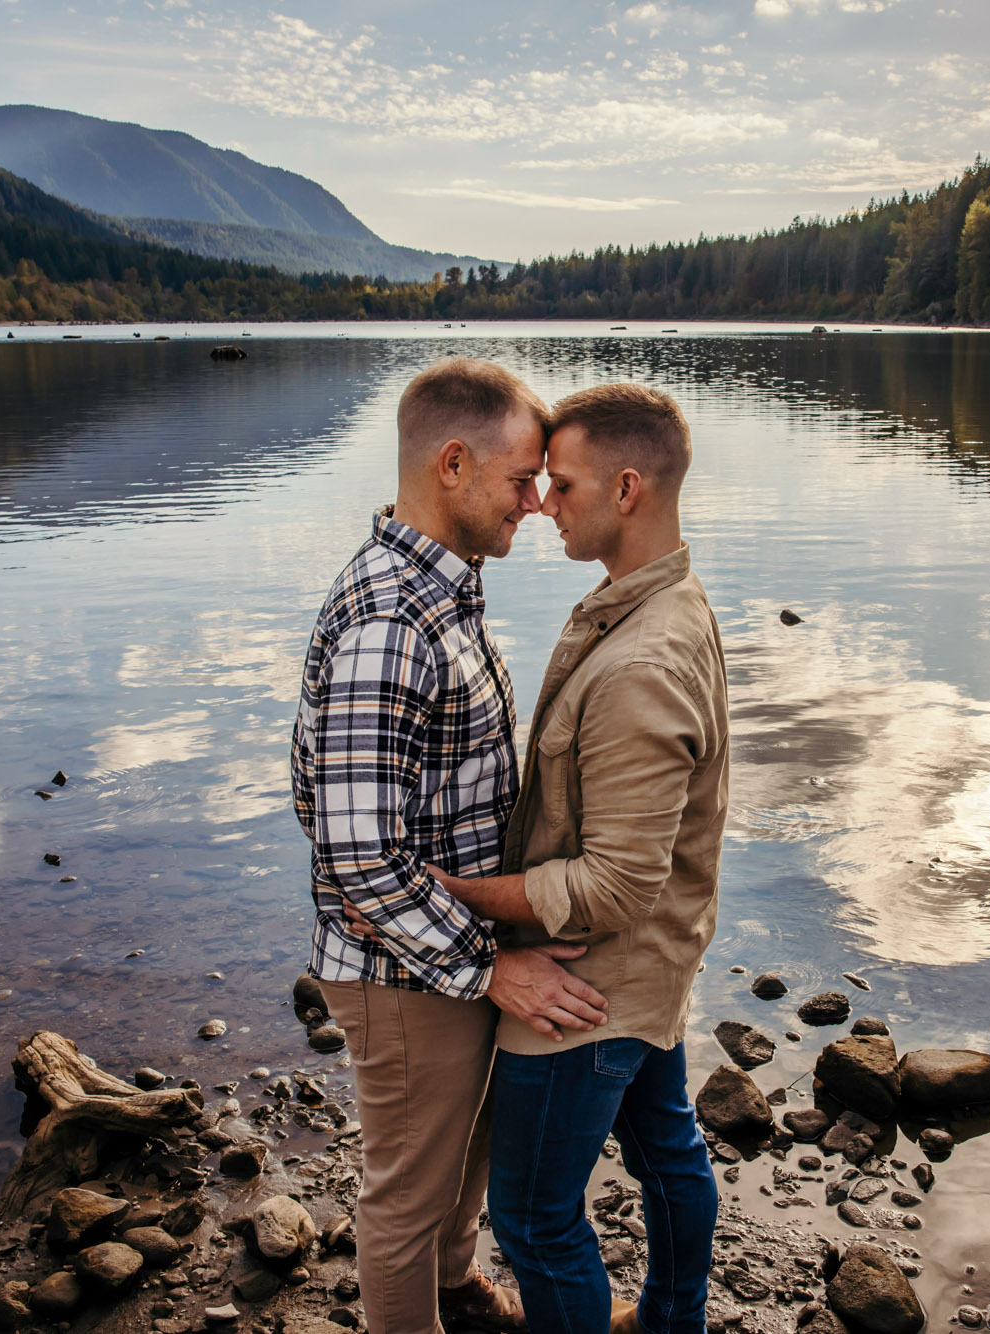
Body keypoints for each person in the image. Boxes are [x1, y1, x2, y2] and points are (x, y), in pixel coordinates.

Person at [292, 357, 612, 1334]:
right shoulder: (391, 618)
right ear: (452, 463)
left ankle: (456, 1287)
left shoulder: (442, 587)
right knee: (406, 1189)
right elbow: (357, 854)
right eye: (522, 480)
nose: (537, 503)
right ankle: (416, 1304)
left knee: (465, 1148)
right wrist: (489, 968)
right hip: (401, 968)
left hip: (447, 942)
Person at [418, 384, 730, 1334]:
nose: (542, 502)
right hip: (649, 970)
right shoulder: (658, 597)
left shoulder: (641, 662)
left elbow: (613, 882)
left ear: (627, 488)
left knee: (535, 1219)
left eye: (563, 483)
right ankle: (673, 1321)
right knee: (669, 1153)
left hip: (581, 991)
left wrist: (454, 892)